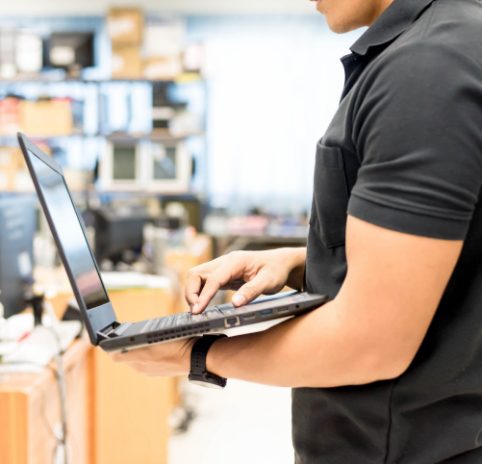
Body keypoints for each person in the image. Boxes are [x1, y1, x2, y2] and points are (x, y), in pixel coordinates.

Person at [112, 0, 482, 462]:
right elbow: (451, 253)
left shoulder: (428, 68)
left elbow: (370, 342)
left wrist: (199, 355)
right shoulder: (445, 43)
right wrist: (300, 261)